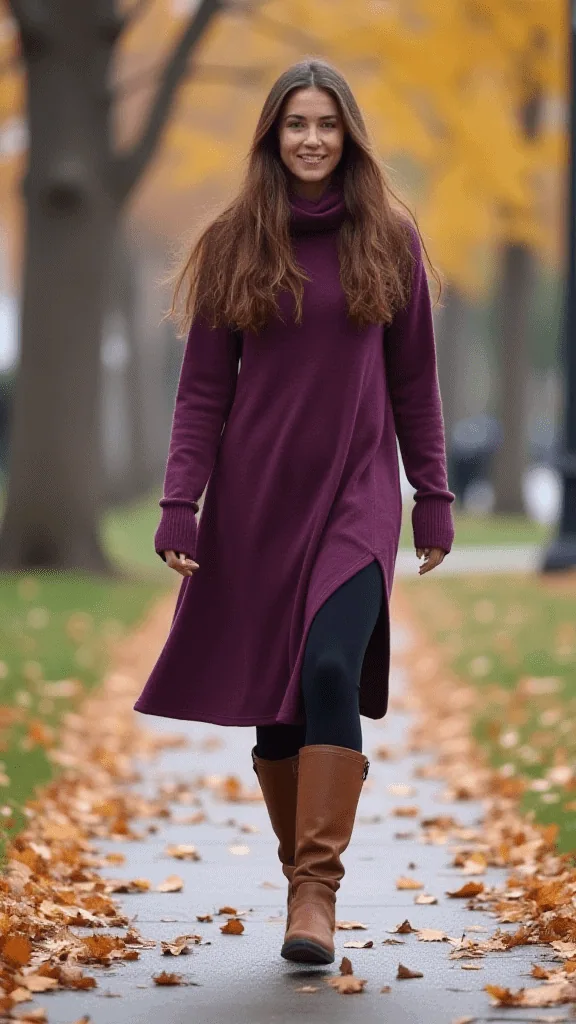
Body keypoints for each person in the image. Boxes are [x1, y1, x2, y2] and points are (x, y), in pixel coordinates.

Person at [134, 58, 455, 967]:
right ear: (272, 137)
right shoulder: (236, 240)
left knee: (324, 669)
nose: (311, 138)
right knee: (278, 711)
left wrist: (431, 494)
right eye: (294, 124)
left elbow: (414, 382)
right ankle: (298, 887)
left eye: (326, 123)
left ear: (349, 133)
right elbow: (201, 392)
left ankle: (318, 889)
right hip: (254, 503)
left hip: (356, 495)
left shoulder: (388, 238)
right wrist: (179, 504)